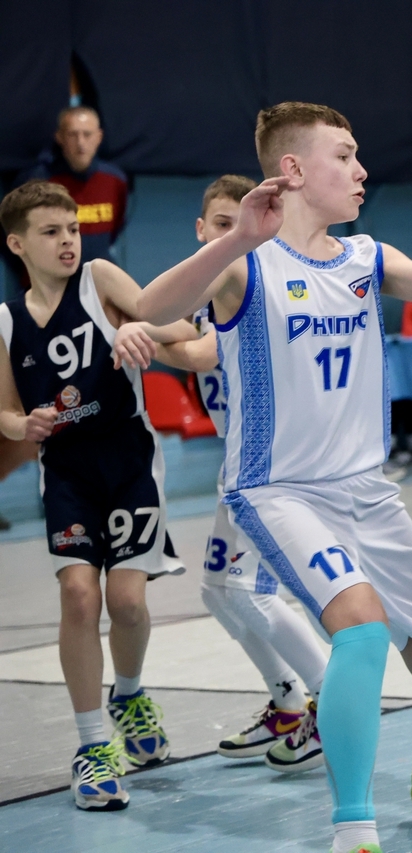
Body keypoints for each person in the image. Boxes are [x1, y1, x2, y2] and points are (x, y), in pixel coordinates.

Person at [135, 102, 412, 853]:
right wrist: (237, 236)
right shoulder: (247, 261)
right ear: (294, 169)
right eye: (344, 155)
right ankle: (354, 829)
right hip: (278, 489)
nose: (361, 169)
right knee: (362, 631)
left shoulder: (365, 258)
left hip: (367, 490)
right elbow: (151, 309)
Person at [0, 180, 193, 811]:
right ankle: (91, 747)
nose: (67, 241)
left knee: (127, 602)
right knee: (80, 596)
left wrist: (143, 332)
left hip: (129, 460)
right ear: (17, 244)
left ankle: (128, 695)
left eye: (73, 229)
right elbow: (6, 411)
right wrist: (22, 426)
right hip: (67, 472)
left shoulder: (100, 279)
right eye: (51, 232)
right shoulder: (5, 321)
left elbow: (172, 320)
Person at [159, 175, 331, 770]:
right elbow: (181, 327)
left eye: (242, 223)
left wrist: (138, 332)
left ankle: (332, 703)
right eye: (220, 224)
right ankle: (287, 701)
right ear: (200, 229)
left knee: (246, 591)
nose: (233, 233)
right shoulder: (202, 285)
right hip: (241, 459)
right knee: (216, 591)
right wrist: (155, 328)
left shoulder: (256, 282)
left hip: (275, 463)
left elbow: (203, 351)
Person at [17, 107, 129, 267]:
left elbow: (117, 226)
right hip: (51, 275)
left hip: (98, 274)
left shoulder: (115, 180)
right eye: (73, 134)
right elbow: (15, 233)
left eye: (87, 134)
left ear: (99, 137)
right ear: (60, 137)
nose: (80, 143)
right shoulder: (38, 182)